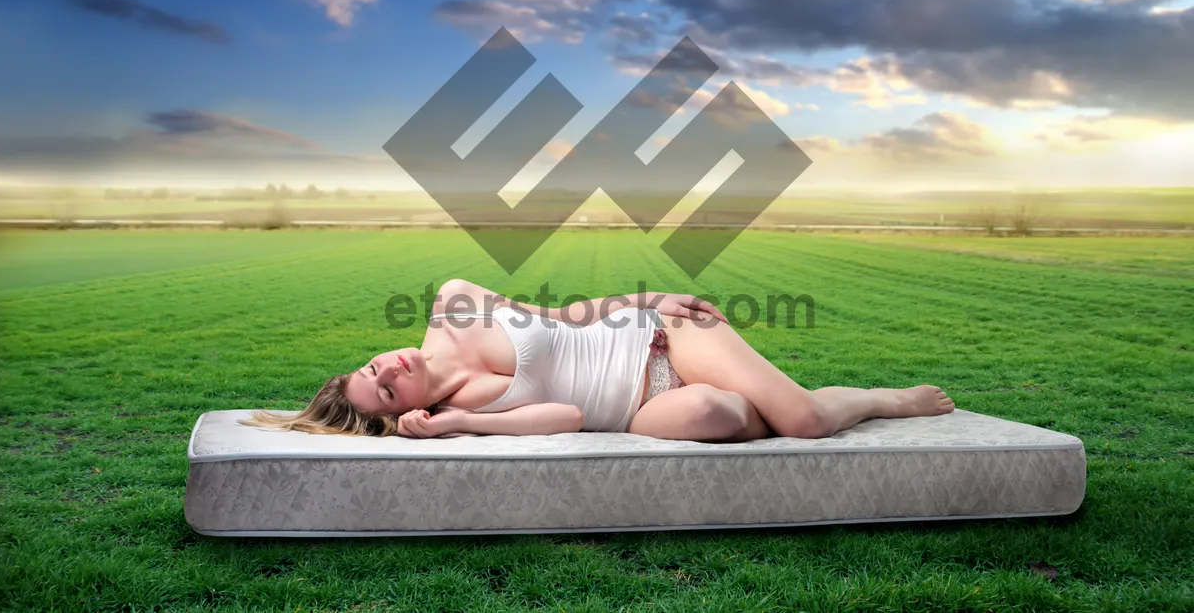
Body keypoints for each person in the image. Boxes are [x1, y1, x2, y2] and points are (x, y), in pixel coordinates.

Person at [243, 278, 955, 441]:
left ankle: (879, 398)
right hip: (641, 407)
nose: (390, 369)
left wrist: (651, 294)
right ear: (410, 413)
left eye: (373, 368)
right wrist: (461, 424)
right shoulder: (463, 410)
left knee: (798, 421)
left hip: (656, 340)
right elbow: (573, 414)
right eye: (389, 392)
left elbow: (564, 314)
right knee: (715, 411)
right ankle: (778, 398)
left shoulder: (453, 301)